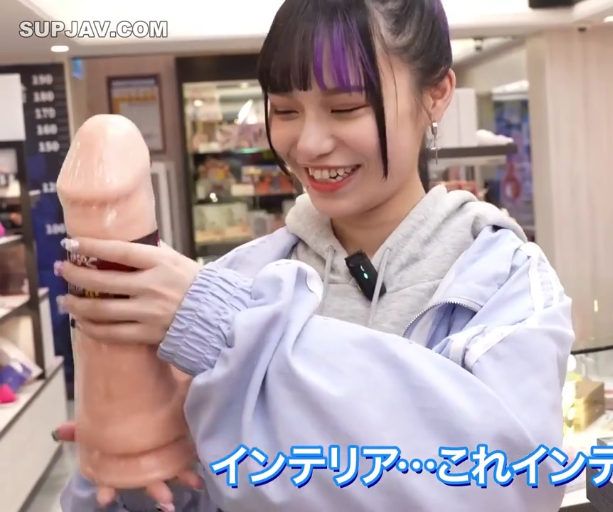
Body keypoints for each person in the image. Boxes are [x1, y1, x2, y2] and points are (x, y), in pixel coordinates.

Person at [57, 0, 574, 510]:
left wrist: (231, 333)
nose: (307, 145)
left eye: (345, 108)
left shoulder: (505, 283)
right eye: (285, 110)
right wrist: (134, 467)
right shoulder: (243, 277)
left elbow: (507, 484)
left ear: (436, 94)